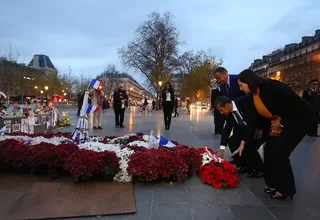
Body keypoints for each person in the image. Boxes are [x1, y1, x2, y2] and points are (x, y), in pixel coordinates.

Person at [235, 69, 318, 200]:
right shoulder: (255, 96)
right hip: (284, 121)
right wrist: (243, 141)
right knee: (269, 148)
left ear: (249, 81)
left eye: (241, 85)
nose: (240, 89)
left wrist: (282, 123)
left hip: (301, 118)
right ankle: (273, 184)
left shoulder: (272, 86)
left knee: (280, 151)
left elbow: (294, 103)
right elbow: (255, 119)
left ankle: (286, 190)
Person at [214, 95, 266, 177]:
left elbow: (251, 123)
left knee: (249, 146)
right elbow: (227, 129)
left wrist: (243, 142)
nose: (221, 112)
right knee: (232, 141)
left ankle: (260, 170)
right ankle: (243, 165)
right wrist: (222, 149)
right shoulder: (228, 113)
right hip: (244, 128)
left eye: (221, 110)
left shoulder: (245, 102)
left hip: (258, 126)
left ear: (227, 105)